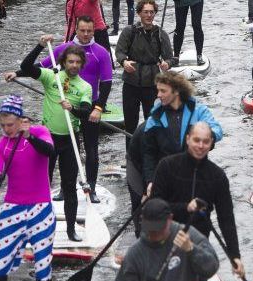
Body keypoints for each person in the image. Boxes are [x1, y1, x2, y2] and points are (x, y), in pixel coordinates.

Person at [17, 35, 93, 242]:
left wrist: (73, 108)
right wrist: (40, 45)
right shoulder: (51, 76)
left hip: (70, 141)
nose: (74, 65)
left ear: (81, 64)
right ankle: (36, 227)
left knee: (69, 187)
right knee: (42, 184)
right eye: (70, 61)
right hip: (47, 140)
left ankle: (71, 230)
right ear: (63, 62)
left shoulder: (85, 87)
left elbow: (86, 111)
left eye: (78, 62)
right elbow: (26, 66)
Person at [151, 122, 245, 278]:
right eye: (196, 140)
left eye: (206, 141)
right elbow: (154, 206)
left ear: (211, 144)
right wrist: (186, 207)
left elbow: (226, 218)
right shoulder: (167, 166)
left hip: (198, 245)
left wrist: (234, 256)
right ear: (188, 139)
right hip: (166, 240)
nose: (201, 146)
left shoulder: (218, 176)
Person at [37, 15, 114, 204]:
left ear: (94, 30)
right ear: (76, 30)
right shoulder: (63, 49)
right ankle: (65, 188)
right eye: (82, 30)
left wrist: (98, 108)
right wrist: (17, 73)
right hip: (65, 106)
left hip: (89, 106)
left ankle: (92, 188)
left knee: (91, 148)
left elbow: (106, 83)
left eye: (90, 30)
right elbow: (41, 67)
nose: (86, 34)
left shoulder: (101, 52)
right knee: (65, 149)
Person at [0, 96, 57, 281]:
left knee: (43, 267)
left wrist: (29, 135)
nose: (6, 129)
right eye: (3, 125)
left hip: (41, 209)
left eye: (10, 125)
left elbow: (50, 152)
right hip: (12, 209)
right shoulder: (2, 145)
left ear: (21, 120)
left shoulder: (39, 132)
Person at [142, 71, 223, 191]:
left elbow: (217, 130)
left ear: (177, 91)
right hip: (165, 176)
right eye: (158, 90)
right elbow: (149, 154)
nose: (158, 95)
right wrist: (150, 181)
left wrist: (204, 138)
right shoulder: (154, 118)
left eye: (163, 91)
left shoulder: (198, 110)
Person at [115, 0, 172, 144]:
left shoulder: (161, 34)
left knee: (152, 123)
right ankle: (131, 160)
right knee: (130, 125)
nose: (149, 15)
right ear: (139, 13)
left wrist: (167, 64)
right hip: (130, 83)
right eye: (145, 12)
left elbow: (170, 57)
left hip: (151, 84)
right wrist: (124, 62)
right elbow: (120, 51)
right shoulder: (130, 31)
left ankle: (150, 158)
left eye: (151, 12)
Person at [173, 0, 206, 65]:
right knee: (180, 27)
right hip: (180, 2)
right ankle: (176, 57)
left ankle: (199, 55)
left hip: (197, 1)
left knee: (196, 24)